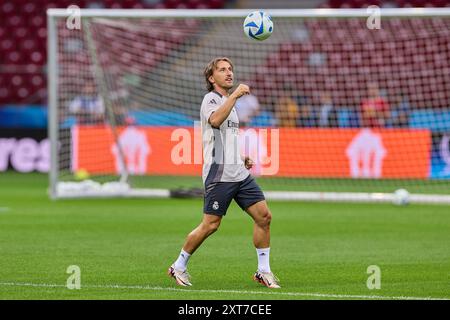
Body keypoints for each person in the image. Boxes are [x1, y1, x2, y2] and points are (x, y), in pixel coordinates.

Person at [168, 57, 280, 289]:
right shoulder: (211, 99)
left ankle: (264, 271)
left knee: (264, 216)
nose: (229, 73)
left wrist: (241, 157)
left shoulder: (228, 103)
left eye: (230, 69)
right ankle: (178, 266)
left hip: (238, 172)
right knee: (211, 224)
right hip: (219, 173)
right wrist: (236, 95)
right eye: (222, 70)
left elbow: (226, 137)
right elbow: (216, 121)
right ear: (212, 78)